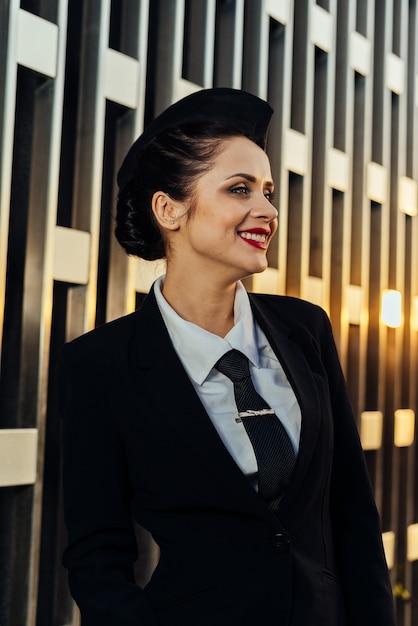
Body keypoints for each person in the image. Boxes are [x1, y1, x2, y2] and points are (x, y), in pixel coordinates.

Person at [58, 88, 396, 626]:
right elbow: (97, 555)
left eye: (267, 191)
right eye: (240, 190)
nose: (267, 210)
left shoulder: (306, 328)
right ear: (168, 209)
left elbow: (352, 512)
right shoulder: (99, 366)